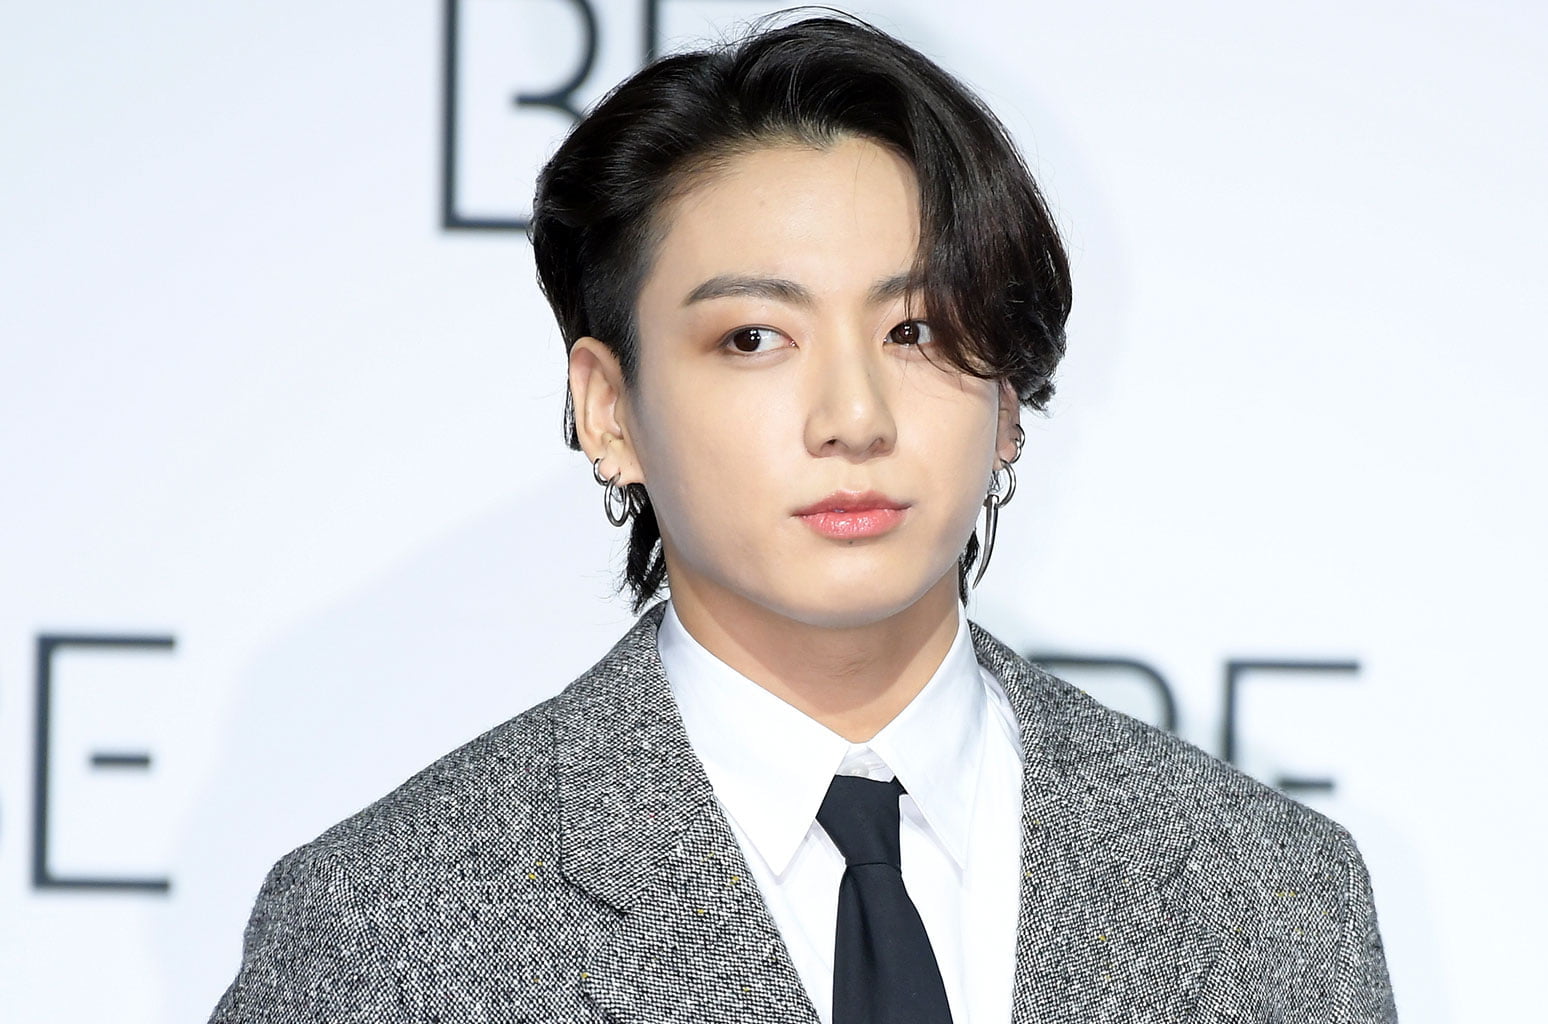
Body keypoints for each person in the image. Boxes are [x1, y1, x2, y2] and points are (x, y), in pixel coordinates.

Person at [209, 14, 1396, 1023]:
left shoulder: (1271, 897)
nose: (853, 416)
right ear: (609, 409)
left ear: (1008, 400)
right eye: (753, 338)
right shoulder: (388, 930)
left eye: (916, 331)